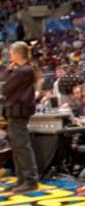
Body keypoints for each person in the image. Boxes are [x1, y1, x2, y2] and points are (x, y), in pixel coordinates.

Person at [3, 42, 39, 193]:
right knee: (17, 147)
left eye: (11, 53)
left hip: (19, 112)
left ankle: (30, 179)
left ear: (17, 54)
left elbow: (5, 88)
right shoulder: (21, 70)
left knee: (22, 147)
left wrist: (8, 72)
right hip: (14, 112)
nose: (10, 57)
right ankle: (21, 179)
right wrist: (9, 71)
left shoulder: (24, 70)